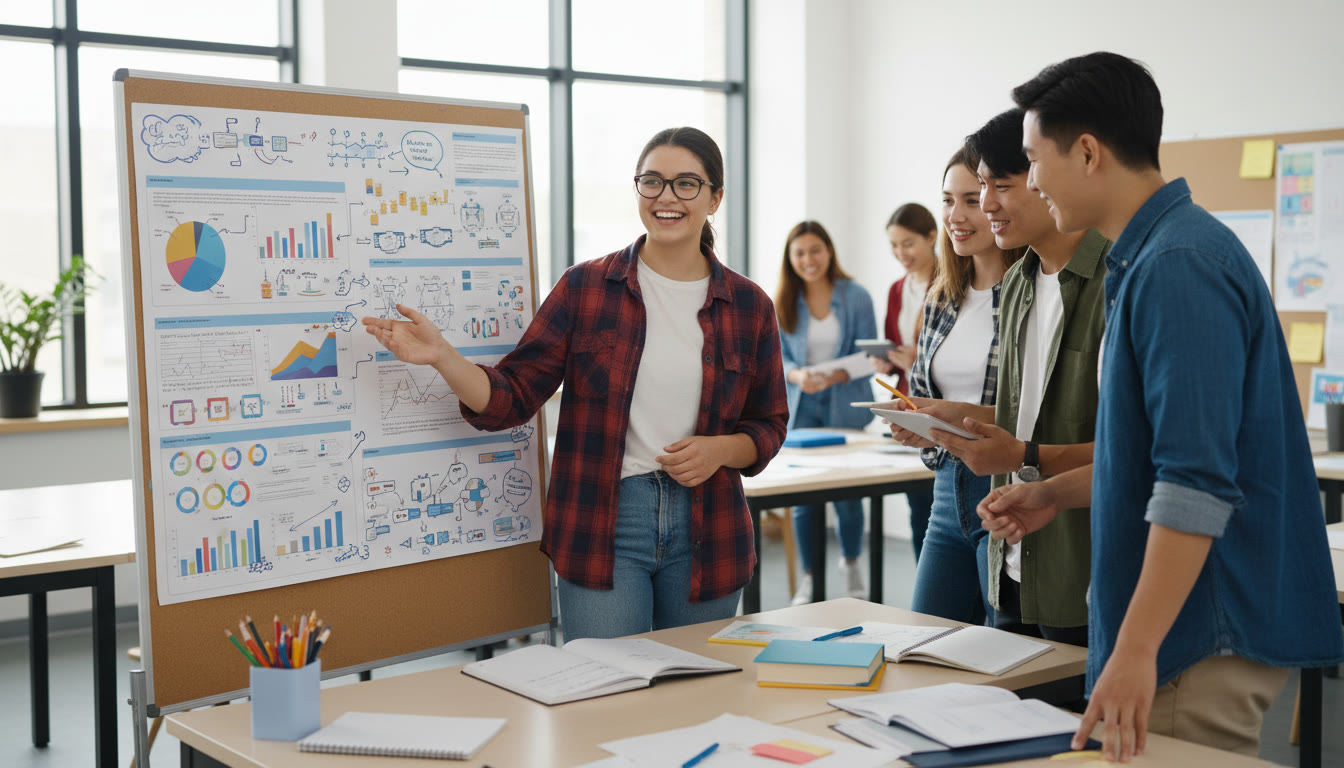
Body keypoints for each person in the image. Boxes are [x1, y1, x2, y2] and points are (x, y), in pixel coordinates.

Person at [978, 52, 1344, 760]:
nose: (1032, 181)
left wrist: (1137, 647)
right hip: (1187, 624)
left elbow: (1195, 483)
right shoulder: (1154, 256)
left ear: (1087, 153)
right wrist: (1053, 493)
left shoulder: (1178, 267)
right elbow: (1151, 455)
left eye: (1033, 159)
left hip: (1197, 631)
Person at [363, 126, 788, 641]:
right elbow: (512, 397)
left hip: (710, 526)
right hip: (603, 522)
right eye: (652, 181)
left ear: (714, 198)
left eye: (686, 184)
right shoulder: (585, 288)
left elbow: (768, 424)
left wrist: (721, 449)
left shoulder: (749, 305)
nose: (666, 197)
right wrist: (442, 357)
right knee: (608, 682)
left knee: (700, 681)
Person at [906, 108, 1107, 647]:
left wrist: (1021, 454)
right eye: (972, 191)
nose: (983, 204)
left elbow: (1136, 451)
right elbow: (1022, 416)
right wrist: (946, 419)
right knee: (941, 654)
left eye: (997, 187)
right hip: (1002, 525)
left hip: (1074, 550)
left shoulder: (1119, 279)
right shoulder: (1018, 283)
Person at [895, 148, 1023, 624]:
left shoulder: (1031, 292)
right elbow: (926, 390)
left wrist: (953, 415)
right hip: (947, 489)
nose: (956, 215)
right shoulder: (942, 297)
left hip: (1008, 489)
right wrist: (919, 425)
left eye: (972, 200)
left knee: (1003, 644)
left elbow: (1039, 409)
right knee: (924, 638)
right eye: (948, 200)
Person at [775, 220, 877, 604]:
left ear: (829, 251)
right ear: (790, 258)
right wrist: (798, 375)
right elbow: (775, 358)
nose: (809, 259)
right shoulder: (783, 299)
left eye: (815, 250)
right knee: (805, 498)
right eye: (799, 253)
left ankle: (851, 564)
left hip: (844, 403)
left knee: (848, 496)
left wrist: (833, 375)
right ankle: (810, 576)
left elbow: (870, 355)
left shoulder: (856, 296)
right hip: (801, 406)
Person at [871, 203, 939, 561]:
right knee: (918, 505)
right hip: (908, 405)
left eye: (908, 243)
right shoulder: (897, 289)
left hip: (937, 404)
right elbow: (893, 343)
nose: (901, 253)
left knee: (935, 504)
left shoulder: (951, 281)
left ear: (932, 237)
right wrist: (885, 360)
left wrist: (919, 361)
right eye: (894, 245)